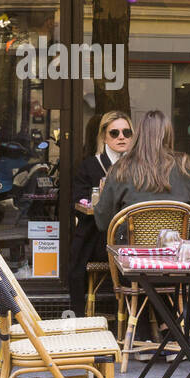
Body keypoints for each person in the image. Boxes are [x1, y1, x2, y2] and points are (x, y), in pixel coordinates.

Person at [94, 110, 190, 235]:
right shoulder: (184, 168)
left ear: (138, 135)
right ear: (169, 135)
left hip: (132, 252)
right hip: (177, 251)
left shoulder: (120, 169)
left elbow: (102, 222)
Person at [67, 110, 133, 316]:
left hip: (135, 237)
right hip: (99, 238)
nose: (121, 137)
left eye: (126, 132)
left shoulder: (140, 166)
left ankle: (141, 316)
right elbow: (78, 200)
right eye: (114, 133)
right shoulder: (90, 165)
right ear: (104, 136)